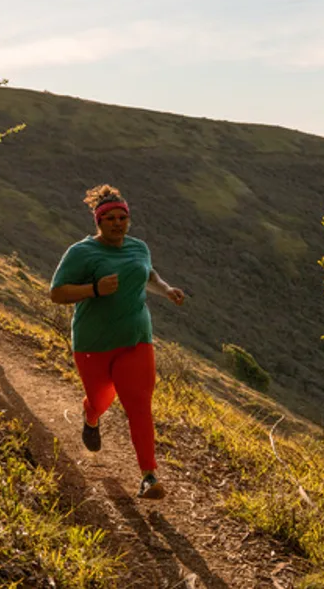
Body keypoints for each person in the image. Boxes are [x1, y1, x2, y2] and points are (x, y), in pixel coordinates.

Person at [49, 184, 185, 499]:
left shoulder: (139, 247)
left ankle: (149, 476)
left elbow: (149, 274)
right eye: (109, 218)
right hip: (92, 343)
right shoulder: (81, 252)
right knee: (101, 400)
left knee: (139, 406)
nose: (116, 223)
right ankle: (90, 414)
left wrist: (166, 289)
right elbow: (57, 293)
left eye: (121, 217)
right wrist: (94, 289)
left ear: (128, 220)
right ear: (98, 222)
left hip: (136, 339)